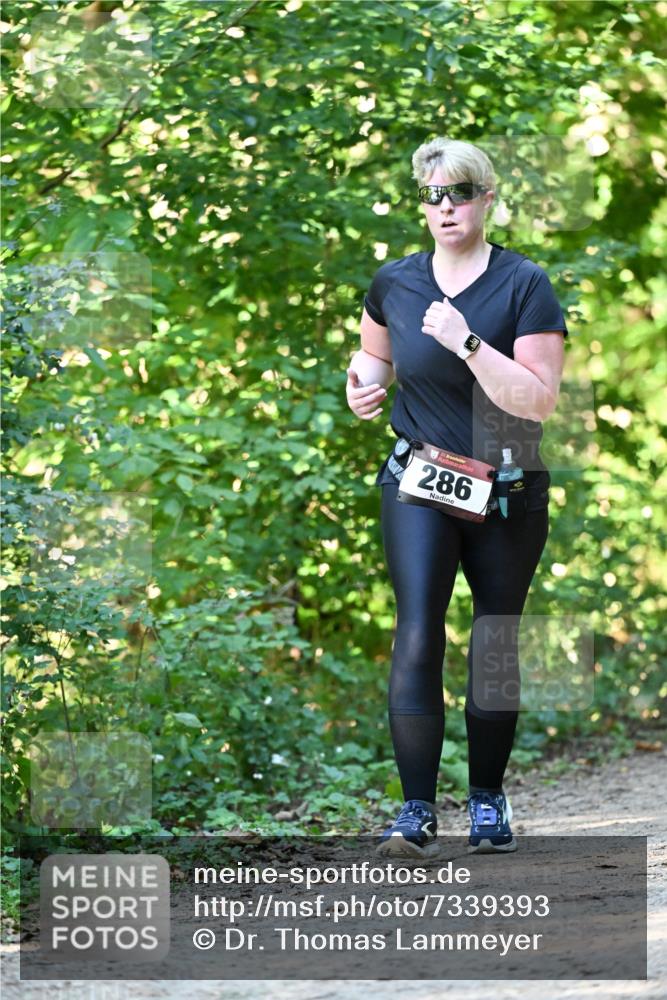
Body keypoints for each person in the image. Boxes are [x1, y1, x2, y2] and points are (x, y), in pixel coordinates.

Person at [346, 137, 569, 858]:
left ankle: (486, 799)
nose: (445, 209)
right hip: (420, 479)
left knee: (494, 641)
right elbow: (373, 356)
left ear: (486, 199)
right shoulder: (396, 282)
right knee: (418, 631)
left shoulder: (524, 284)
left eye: (460, 194)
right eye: (432, 196)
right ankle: (414, 811)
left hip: (505, 488)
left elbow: (536, 401)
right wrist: (361, 387)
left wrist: (467, 343)